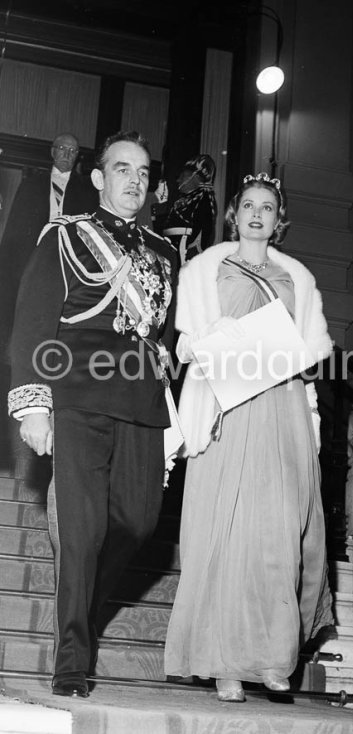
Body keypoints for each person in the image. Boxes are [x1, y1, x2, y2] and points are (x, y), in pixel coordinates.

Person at [7, 130, 178, 699]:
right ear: (99, 179)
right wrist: (33, 404)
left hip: (140, 404)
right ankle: (73, 660)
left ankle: (83, 612)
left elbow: (159, 335)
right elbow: (34, 320)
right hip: (78, 396)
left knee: (138, 523)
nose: (135, 180)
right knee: (81, 534)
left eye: (144, 172)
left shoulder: (165, 251)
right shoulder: (67, 237)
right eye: (122, 169)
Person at [164, 172, 334, 702]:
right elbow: (188, 340)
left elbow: (310, 348)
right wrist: (220, 343)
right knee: (227, 532)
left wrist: (300, 369)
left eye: (268, 207)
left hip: (281, 404)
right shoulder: (204, 268)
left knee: (278, 533)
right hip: (228, 403)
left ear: (279, 221)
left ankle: (273, 656)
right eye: (249, 206)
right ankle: (224, 664)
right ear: (233, 214)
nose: (258, 214)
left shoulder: (298, 278)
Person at [0, 132, 98, 361]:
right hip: (31, 258)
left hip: (67, 260)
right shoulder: (31, 183)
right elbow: (15, 228)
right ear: (53, 152)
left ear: (77, 157)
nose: (67, 154)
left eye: (73, 151)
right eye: (63, 149)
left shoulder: (86, 190)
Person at [160, 153, 217, 266]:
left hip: (184, 262)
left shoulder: (204, 199)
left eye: (183, 175)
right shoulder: (185, 200)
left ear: (195, 177)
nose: (178, 180)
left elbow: (200, 237)